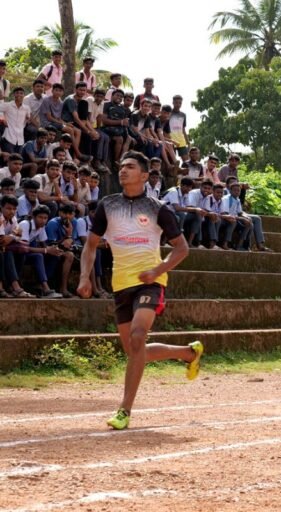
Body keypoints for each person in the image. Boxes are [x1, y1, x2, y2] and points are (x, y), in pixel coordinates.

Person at [77, 150, 203, 430]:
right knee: (134, 350)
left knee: (137, 338)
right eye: (122, 166)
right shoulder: (107, 205)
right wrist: (85, 277)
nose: (123, 170)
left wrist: (157, 271)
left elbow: (182, 249)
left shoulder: (159, 208)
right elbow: (90, 245)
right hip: (121, 284)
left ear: (145, 175)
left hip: (150, 282)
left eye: (131, 166)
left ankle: (124, 410)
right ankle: (188, 353)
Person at [0, 194, 35, 298]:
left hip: (4, 248)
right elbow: (3, 241)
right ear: (1, 208)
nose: (12, 211)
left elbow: (19, 236)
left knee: (19, 253)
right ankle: (14, 287)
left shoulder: (13, 219)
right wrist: (13, 235)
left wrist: (12, 236)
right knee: (4, 253)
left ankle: (13, 286)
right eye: (8, 208)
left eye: (14, 209)